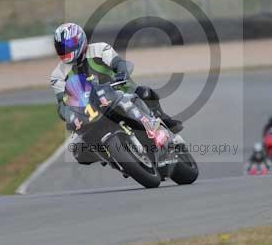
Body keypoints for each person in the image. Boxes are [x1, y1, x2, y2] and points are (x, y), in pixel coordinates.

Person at [50, 23, 183, 164]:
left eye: (70, 44)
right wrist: (68, 115)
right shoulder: (57, 75)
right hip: (90, 112)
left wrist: (121, 73)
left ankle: (164, 124)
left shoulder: (100, 49)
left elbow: (119, 63)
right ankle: (112, 156)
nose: (66, 49)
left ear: (80, 38)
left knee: (144, 93)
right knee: (78, 151)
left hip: (120, 92)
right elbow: (62, 103)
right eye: (61, 46)